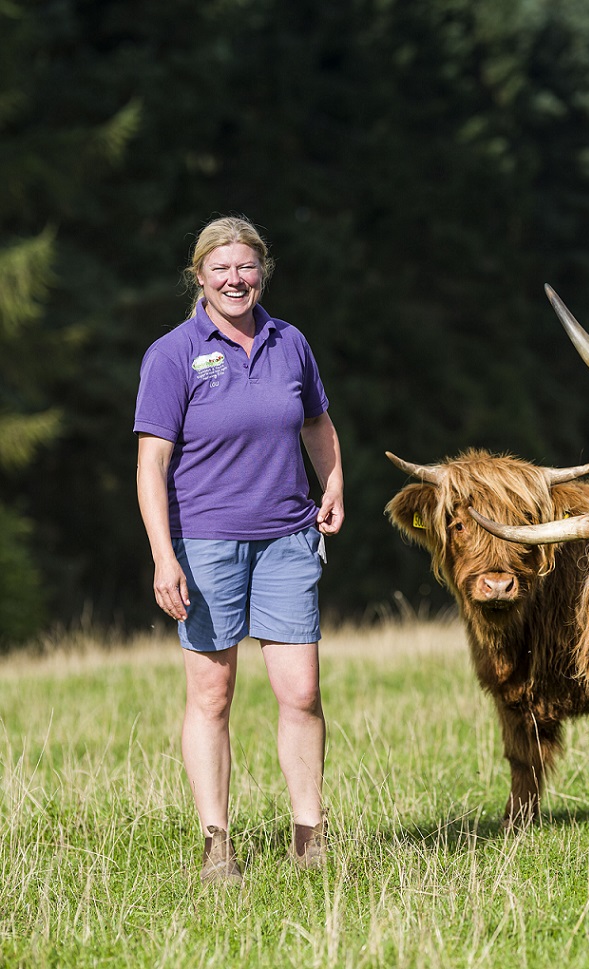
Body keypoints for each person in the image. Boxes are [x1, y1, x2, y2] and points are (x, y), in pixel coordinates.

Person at [134, 216, 344, 885]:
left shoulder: (290, 343)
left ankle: (308, 836)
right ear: (199, 276)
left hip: (286, 536)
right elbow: (151, 464)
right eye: (220, 268)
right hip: (204, 543)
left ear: (263, 271)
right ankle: (216, 841)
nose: (234, 279)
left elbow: (316, 420)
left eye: (246, 267)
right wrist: (164, 557)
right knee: (212, 693)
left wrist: (333, 481)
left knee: (302, 690)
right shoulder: (171, 354)